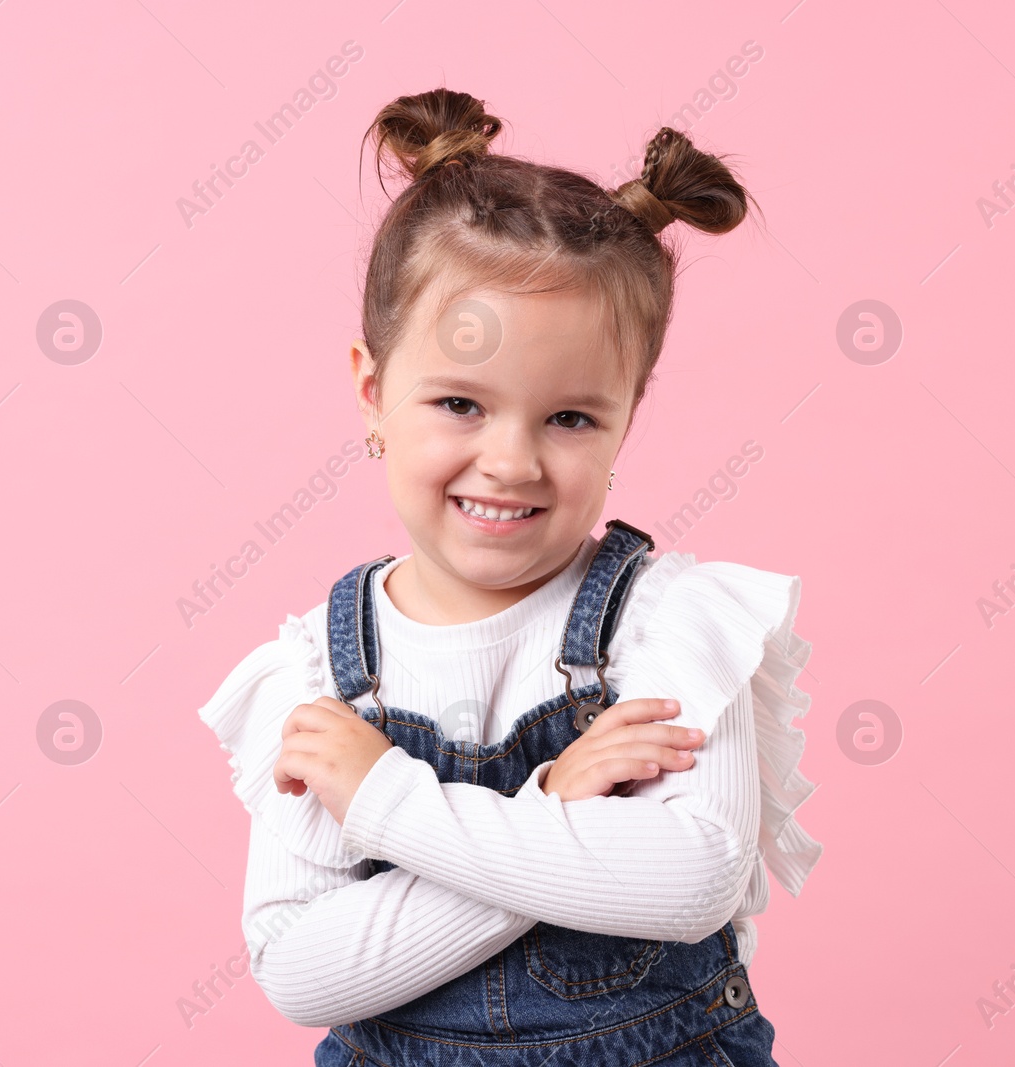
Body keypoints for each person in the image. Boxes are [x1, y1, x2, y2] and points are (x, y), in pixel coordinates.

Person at [196, 87, 822, 1065]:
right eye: (459, 402)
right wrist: (557, 806)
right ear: (372, 390)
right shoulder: (317, 673)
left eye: (569, 417)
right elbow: (301, 969)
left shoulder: (668, 625)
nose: (512, 461)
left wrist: (387, 804)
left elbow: (691, 877)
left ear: (626, 413)